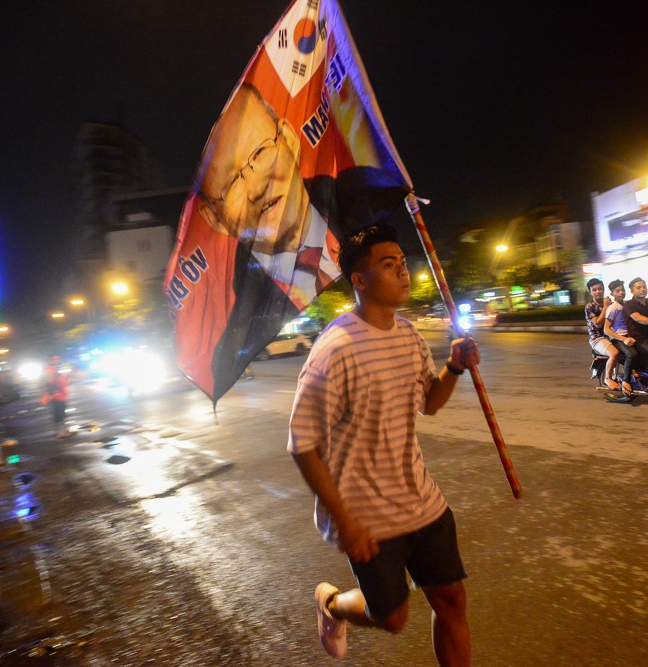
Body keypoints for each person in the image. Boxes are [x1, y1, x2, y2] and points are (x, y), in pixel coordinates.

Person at [288, 224, 477, 665]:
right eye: (387, 265)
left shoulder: (408, 335)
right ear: (359, 279)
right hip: (366, 517)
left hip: (421, 500)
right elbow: (302, 444)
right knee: (391, 618)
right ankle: (332, 604)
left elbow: (428, 403)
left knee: (451, 601)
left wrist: (454, 368)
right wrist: (346, 523)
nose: (403, 272)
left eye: (402, 263)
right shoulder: (335, 349)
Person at [197, 82, 341, 310]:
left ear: (291, 141)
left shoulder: (358, 199)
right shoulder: (236, 311)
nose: (257, 189)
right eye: (231, 183)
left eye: (260, 152)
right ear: (215, 218)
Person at [584, 278, 620, 390]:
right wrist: (605, 307)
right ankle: (608, 378)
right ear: (590, 292)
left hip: (611, 335)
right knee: (614, 353)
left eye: (599, 288)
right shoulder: (590, 306)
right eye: (594, 290)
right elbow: (598, 324)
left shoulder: (610, 303)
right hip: (597, 338)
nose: (597, 291)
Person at [603, 279, 636, 395]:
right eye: (617, 291)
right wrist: (624, 339)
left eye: (622, 290)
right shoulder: (613, 308)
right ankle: (626, 381)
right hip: (619, 338)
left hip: (630, 336)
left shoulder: (626, 305)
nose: (621, 292)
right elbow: (606, 329)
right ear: (612, 294)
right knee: (630, 354)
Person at [42, 355, 70, 438]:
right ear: (50, 360)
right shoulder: (48, 369)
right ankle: (58, 431)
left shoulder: (62, 367)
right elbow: (47, 381)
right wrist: (49, 393)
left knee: (63, 412)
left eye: (57, 358)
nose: (55, 360)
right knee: (57, 413)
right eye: (53, 359)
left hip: (63, 393)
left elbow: (67, 377)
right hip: (54, 394)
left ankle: (65, 429)